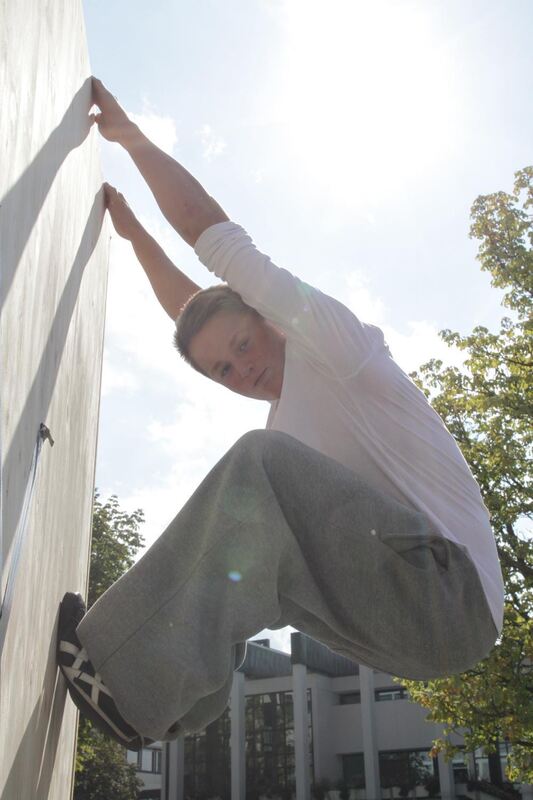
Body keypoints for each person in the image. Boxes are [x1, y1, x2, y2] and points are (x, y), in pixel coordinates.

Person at [57, 78, 504, 751]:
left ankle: (124, 672)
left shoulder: (332, 347)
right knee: (254, 547)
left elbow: (215, 239)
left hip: (446, 594)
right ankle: (168, 705)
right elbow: (191, 313)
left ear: (267, 318)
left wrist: (128, 138)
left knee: (255, 469)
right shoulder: (287, 449)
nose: (243, 370)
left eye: (244, 346)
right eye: (223, 371)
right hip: (412, 631)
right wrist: (132, 238)